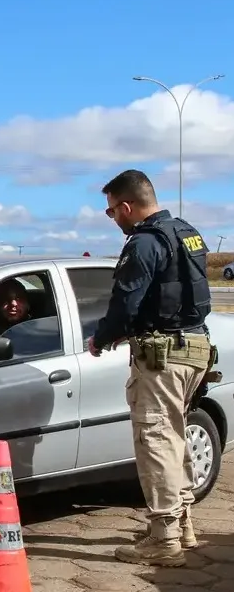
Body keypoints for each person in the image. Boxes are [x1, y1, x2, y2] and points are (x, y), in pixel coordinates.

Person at [90, 169, 214, 567]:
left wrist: (101, 338)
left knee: (156, 441)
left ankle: (164, 539)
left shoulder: (143, 242)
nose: (114, 220)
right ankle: (184, 526)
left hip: (163, 357)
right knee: (174, 437)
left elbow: (125, 302)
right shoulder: (186, 233)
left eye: (112, 212)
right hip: (196, 348)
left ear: (127, 206)